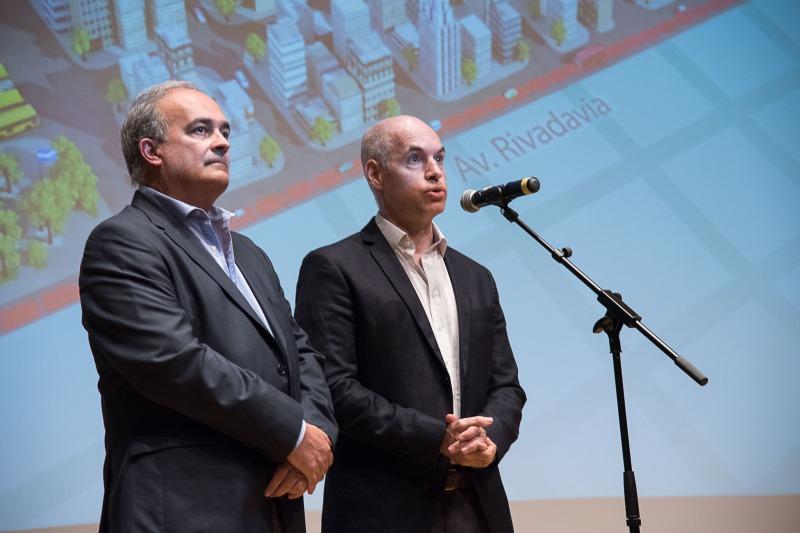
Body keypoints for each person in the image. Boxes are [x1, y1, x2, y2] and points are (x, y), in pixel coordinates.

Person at [79, 80, 336, 533]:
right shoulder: (121, 241)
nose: (222, 142)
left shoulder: (249, 252)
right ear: (151, 151)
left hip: (273, 504)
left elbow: (299, 352)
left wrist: (316, 435)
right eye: (201, 130)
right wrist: (293, 433)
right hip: (183, 508)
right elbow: (173, 361)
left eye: (225, 131)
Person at [295, 115, 526, 533]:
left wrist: (489, 441)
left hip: (478, 505)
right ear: (375, 174)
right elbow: (333, 388)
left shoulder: (476, 276)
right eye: (415, 159)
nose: (435, 171)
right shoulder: (333, 267)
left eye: (440, 158)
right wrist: (437, 437)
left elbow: (506, 385)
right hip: (383, 510)